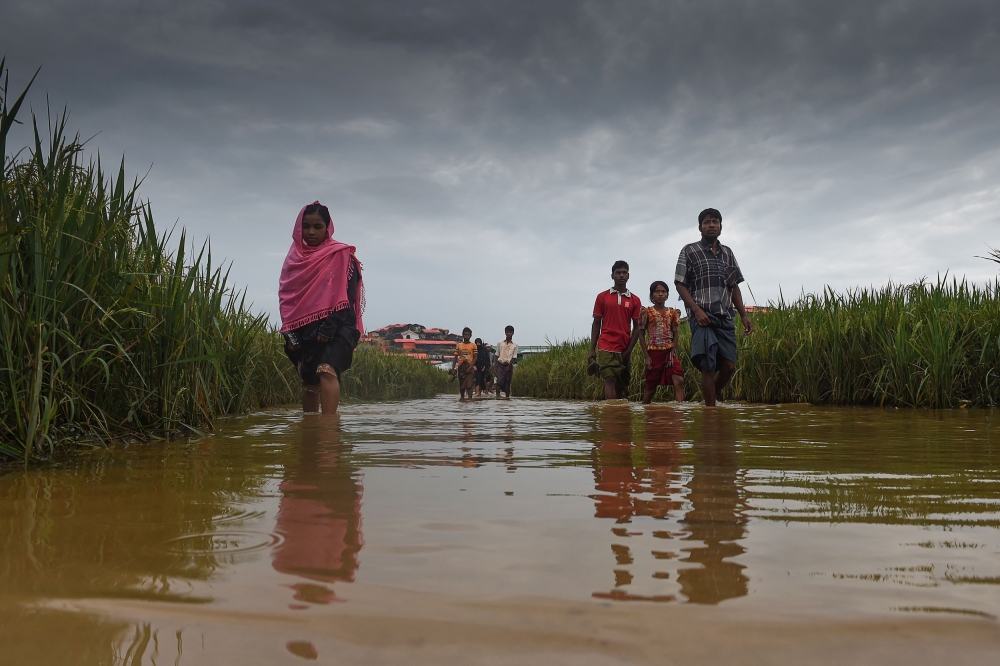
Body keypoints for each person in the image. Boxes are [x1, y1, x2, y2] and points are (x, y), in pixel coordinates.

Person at [279, 202, 364, 415]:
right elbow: (288, 299)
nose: (310, 232)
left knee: (326, 370)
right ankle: (310, 431)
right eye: (306, 226)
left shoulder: (342, 256)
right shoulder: (293, 261)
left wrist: (329, 326)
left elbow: (347, 294)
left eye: (317, 226)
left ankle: (328, 430)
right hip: (305, 329)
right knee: (309, 382)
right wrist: (291, 334)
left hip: (338, 325)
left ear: (328, 228)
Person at [674, 208, 753, 407]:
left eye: (715, 222)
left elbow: (734, 286)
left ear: (720, 226)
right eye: (707, 222)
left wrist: (743, 315)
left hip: (725, 317)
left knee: (728, 365)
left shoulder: (728, 253)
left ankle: (707, 402)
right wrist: (696, 310)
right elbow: (680, 283)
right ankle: (710, 414)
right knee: (708, 366)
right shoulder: (689, 251)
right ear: (700, 227)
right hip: (702, 316)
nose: (711, 225)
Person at [587, 260, 643, 400]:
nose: (621, 275)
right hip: (607, 345)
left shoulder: (635, 300)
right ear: (612, 276)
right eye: (618, 273)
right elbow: (596, 323)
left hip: (624, 346)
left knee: (621, 384)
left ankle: (618, 418)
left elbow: (638, 327)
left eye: (624, 272)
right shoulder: (602, 297)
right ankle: (610, 413)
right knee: (610, 379)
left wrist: (629, 350)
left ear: (628, 276)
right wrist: (592, 349)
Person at [640, 280, 685, 404]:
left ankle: (679, 411)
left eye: (663, 291)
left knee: (679, 379)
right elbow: (641, 334)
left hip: (669, 351)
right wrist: (646, 356)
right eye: (657, 292)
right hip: (654, 353)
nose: (660, 294)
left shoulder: (672, 312)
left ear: (667, 294)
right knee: (651, 387)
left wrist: (672, 351)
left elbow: (675, 332)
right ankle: (646, 411)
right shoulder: (647, 312)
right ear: (652, 295)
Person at [494, 325, 518, 398]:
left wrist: (509, 365)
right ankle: (498, 396)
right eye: (508, 332)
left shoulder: (515, 345)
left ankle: (507, 398)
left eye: (510, 332)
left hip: (508, 365)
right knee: (498, 382)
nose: (509, 334)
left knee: (508, 382)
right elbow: (497, 354)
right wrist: (495, 366)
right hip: (500, 364)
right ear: (505, 333)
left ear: (513, 333)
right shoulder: (500, 343)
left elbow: (514, 357)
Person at [454, 327, 477, 401]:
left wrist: (471, 367)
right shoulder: (459, 345)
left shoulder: (473, 345)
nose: (466, 336)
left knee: (469, 385)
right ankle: (462, 398)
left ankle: (470, 399)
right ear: (463, 335)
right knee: (462, 385)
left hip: (470, 366)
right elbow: (455, 357)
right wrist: (453, 368)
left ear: (470, 336)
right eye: (465, 335)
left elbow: (475, 358)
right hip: (461, 366)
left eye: (468, 335)